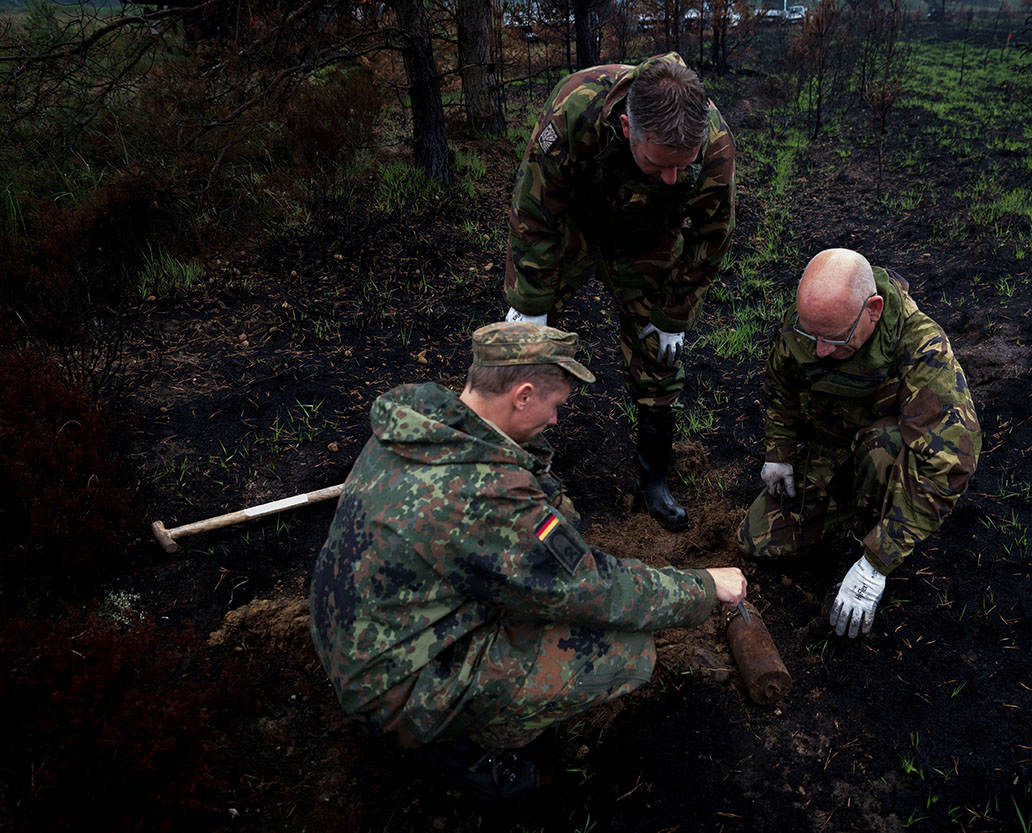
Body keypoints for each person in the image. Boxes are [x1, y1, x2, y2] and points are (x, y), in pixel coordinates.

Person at [310, 322, 747, 800]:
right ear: (521, 395)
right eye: (554, 405)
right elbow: (595, 589)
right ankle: (463, 750)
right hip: (398, 689)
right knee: (627, 652)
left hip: (359, 639)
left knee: (551, 549)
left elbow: (538, 512)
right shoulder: (485, 494)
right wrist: (704, 586)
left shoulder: (421, 428)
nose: (556, 420)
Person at [502, 51, 736, 532]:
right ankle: (521, 465)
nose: (672, 177)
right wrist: (531, 303)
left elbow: (711, 236)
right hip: (574, 224)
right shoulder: (576, 106)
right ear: (628, 128)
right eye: (659, 163)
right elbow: (536, 208)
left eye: (683, 166)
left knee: (658, 354)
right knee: (526, 348)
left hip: (648, 237)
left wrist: (674, 314)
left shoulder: (713, 143)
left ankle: (654, 480)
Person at [738, 249, 980, 638]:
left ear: (873, 310)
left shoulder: (923, 350)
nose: (820, 350)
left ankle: (866, 543)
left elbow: (948, 464)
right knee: (756, 541)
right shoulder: (817, 321)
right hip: (832, 453)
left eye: (834, 339)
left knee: (884, 444)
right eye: (811, 336)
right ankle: (841, 521)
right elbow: (781, 387)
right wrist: (779, 453)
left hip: (886, 466)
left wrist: (877, 561)